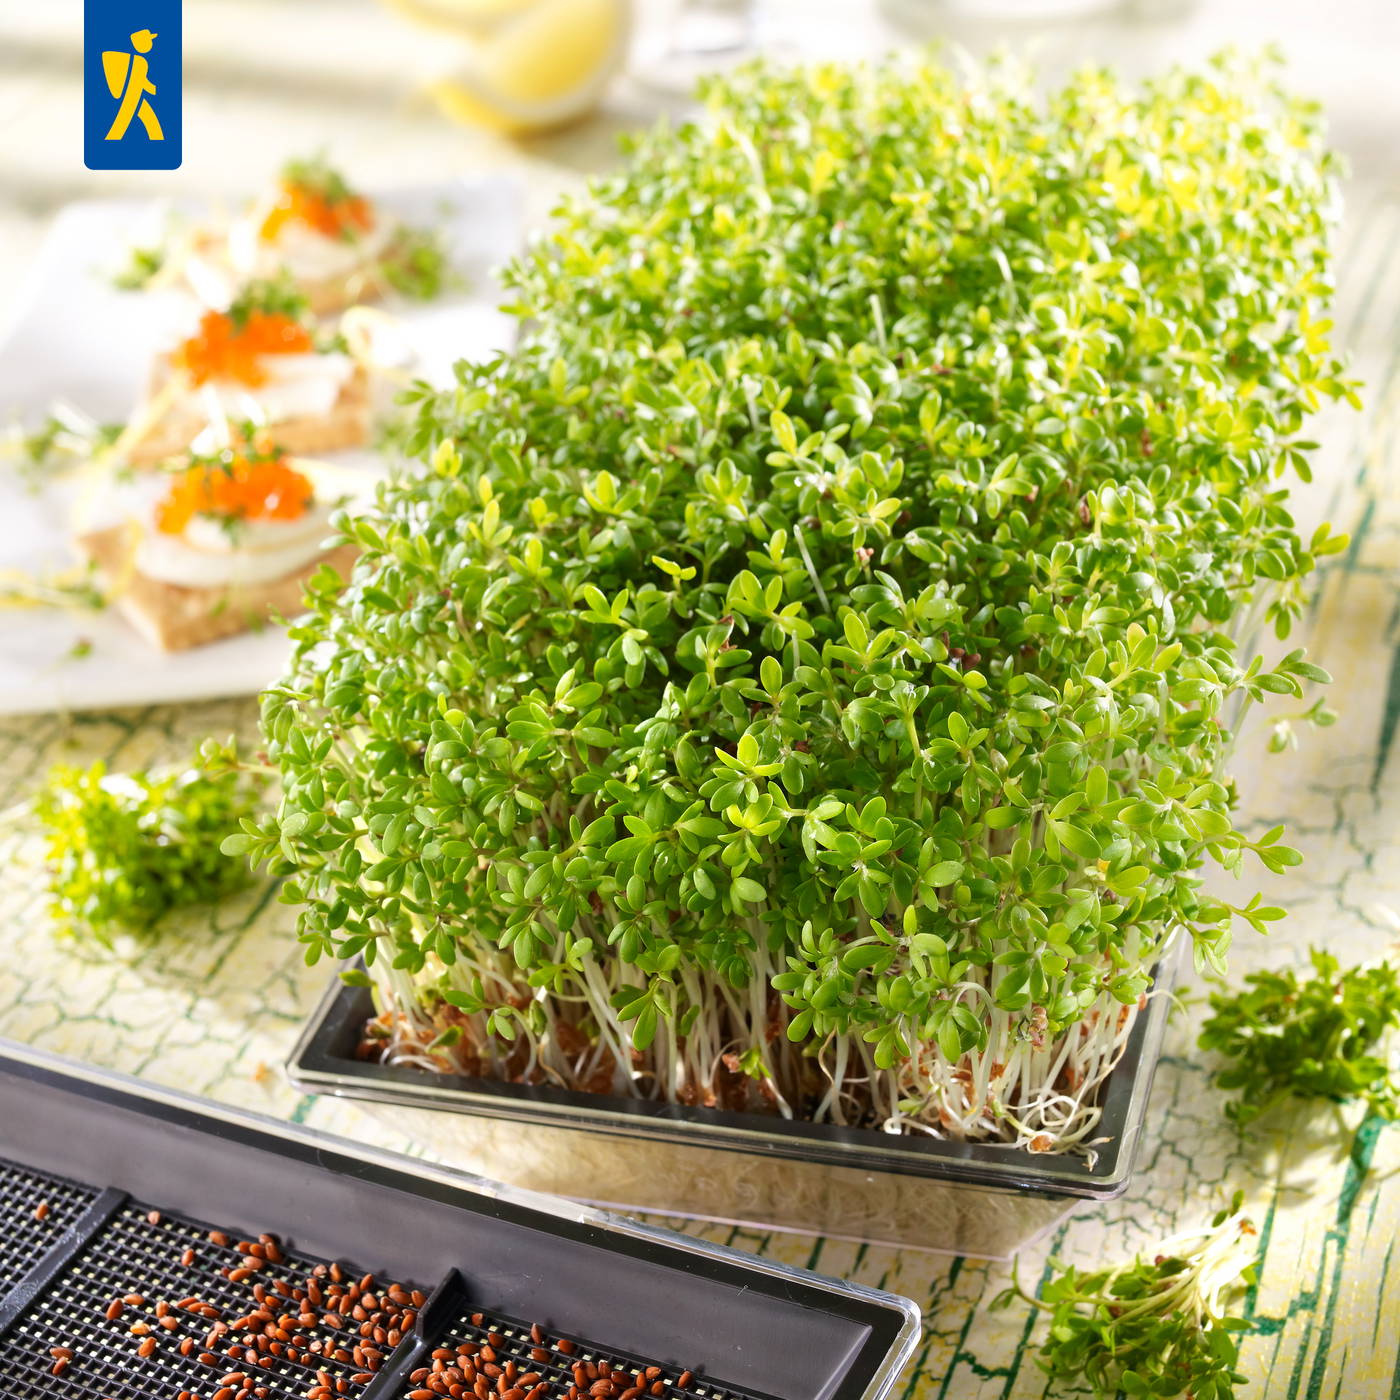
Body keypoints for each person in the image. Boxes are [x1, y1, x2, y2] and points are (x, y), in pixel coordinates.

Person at [103, 29, 164, 142]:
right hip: (131, 95)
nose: (151, 44)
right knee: (125, 121)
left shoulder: (125, 59)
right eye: (149, 41)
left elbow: (146, 85)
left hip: (132, 94)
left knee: (149, 121)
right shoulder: (138, 62)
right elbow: (145, 85)